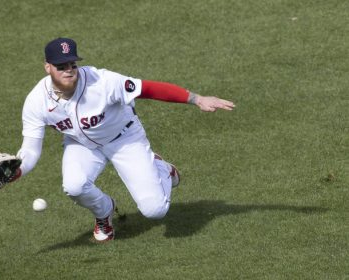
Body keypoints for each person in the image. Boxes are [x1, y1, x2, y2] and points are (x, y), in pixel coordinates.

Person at [14, 37, 235, 242]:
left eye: (72, 64)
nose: (69, 70)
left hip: (125, 139)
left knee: (155, 210)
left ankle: (162, 169)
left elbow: (148, 89)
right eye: (61, 66)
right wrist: (18, 169)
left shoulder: (102, 81)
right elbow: (31, 149)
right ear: (48, 67)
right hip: (81, 144)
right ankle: (104, 212)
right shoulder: (36, 101)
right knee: (74, 186)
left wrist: (197, 99)